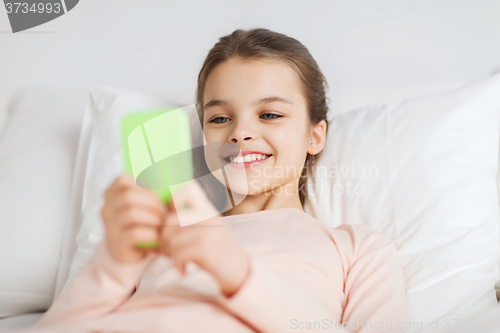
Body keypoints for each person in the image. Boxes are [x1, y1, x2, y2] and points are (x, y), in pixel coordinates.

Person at [28, 28, 407, 333]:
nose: (241, 133)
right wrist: (113, 265)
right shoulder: (162, 228)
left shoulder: (356, 247)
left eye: (270, 114)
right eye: (220, 119)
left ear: (315, 135)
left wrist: (239, 272)